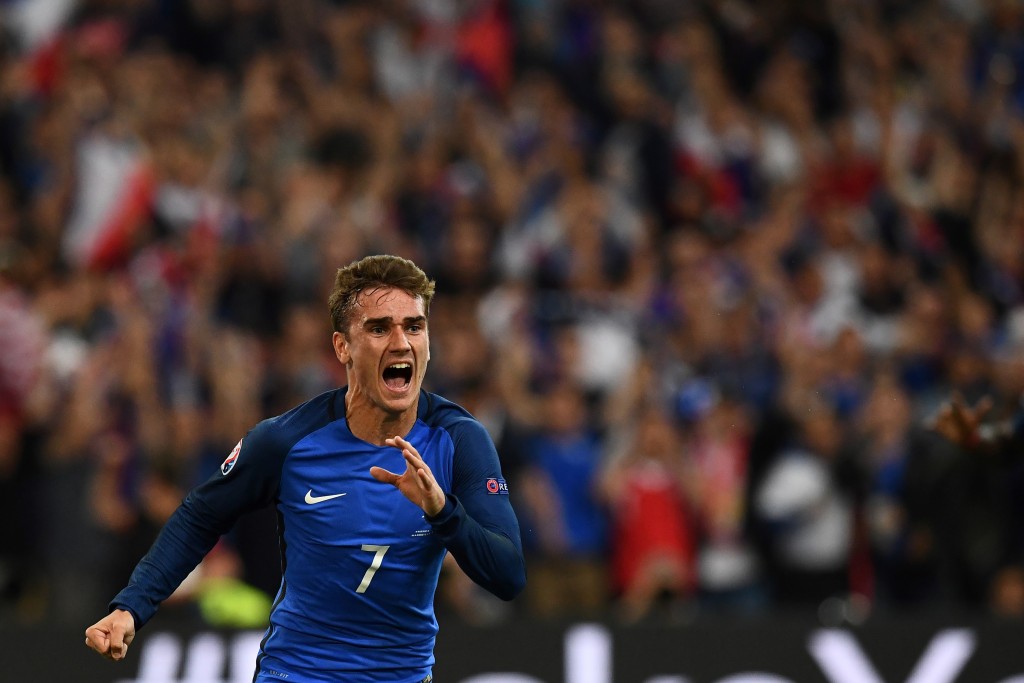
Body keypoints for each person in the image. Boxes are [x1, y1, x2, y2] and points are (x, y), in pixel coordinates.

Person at [85, 254, 527, 683]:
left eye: (414, 326)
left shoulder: (460, 440)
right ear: (343, 347)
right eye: (379, 328)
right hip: (298, 674)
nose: (401, 342)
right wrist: (131, 606)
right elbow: (200, 515)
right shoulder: (287, 440)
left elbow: (507, 576)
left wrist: (442, 512)